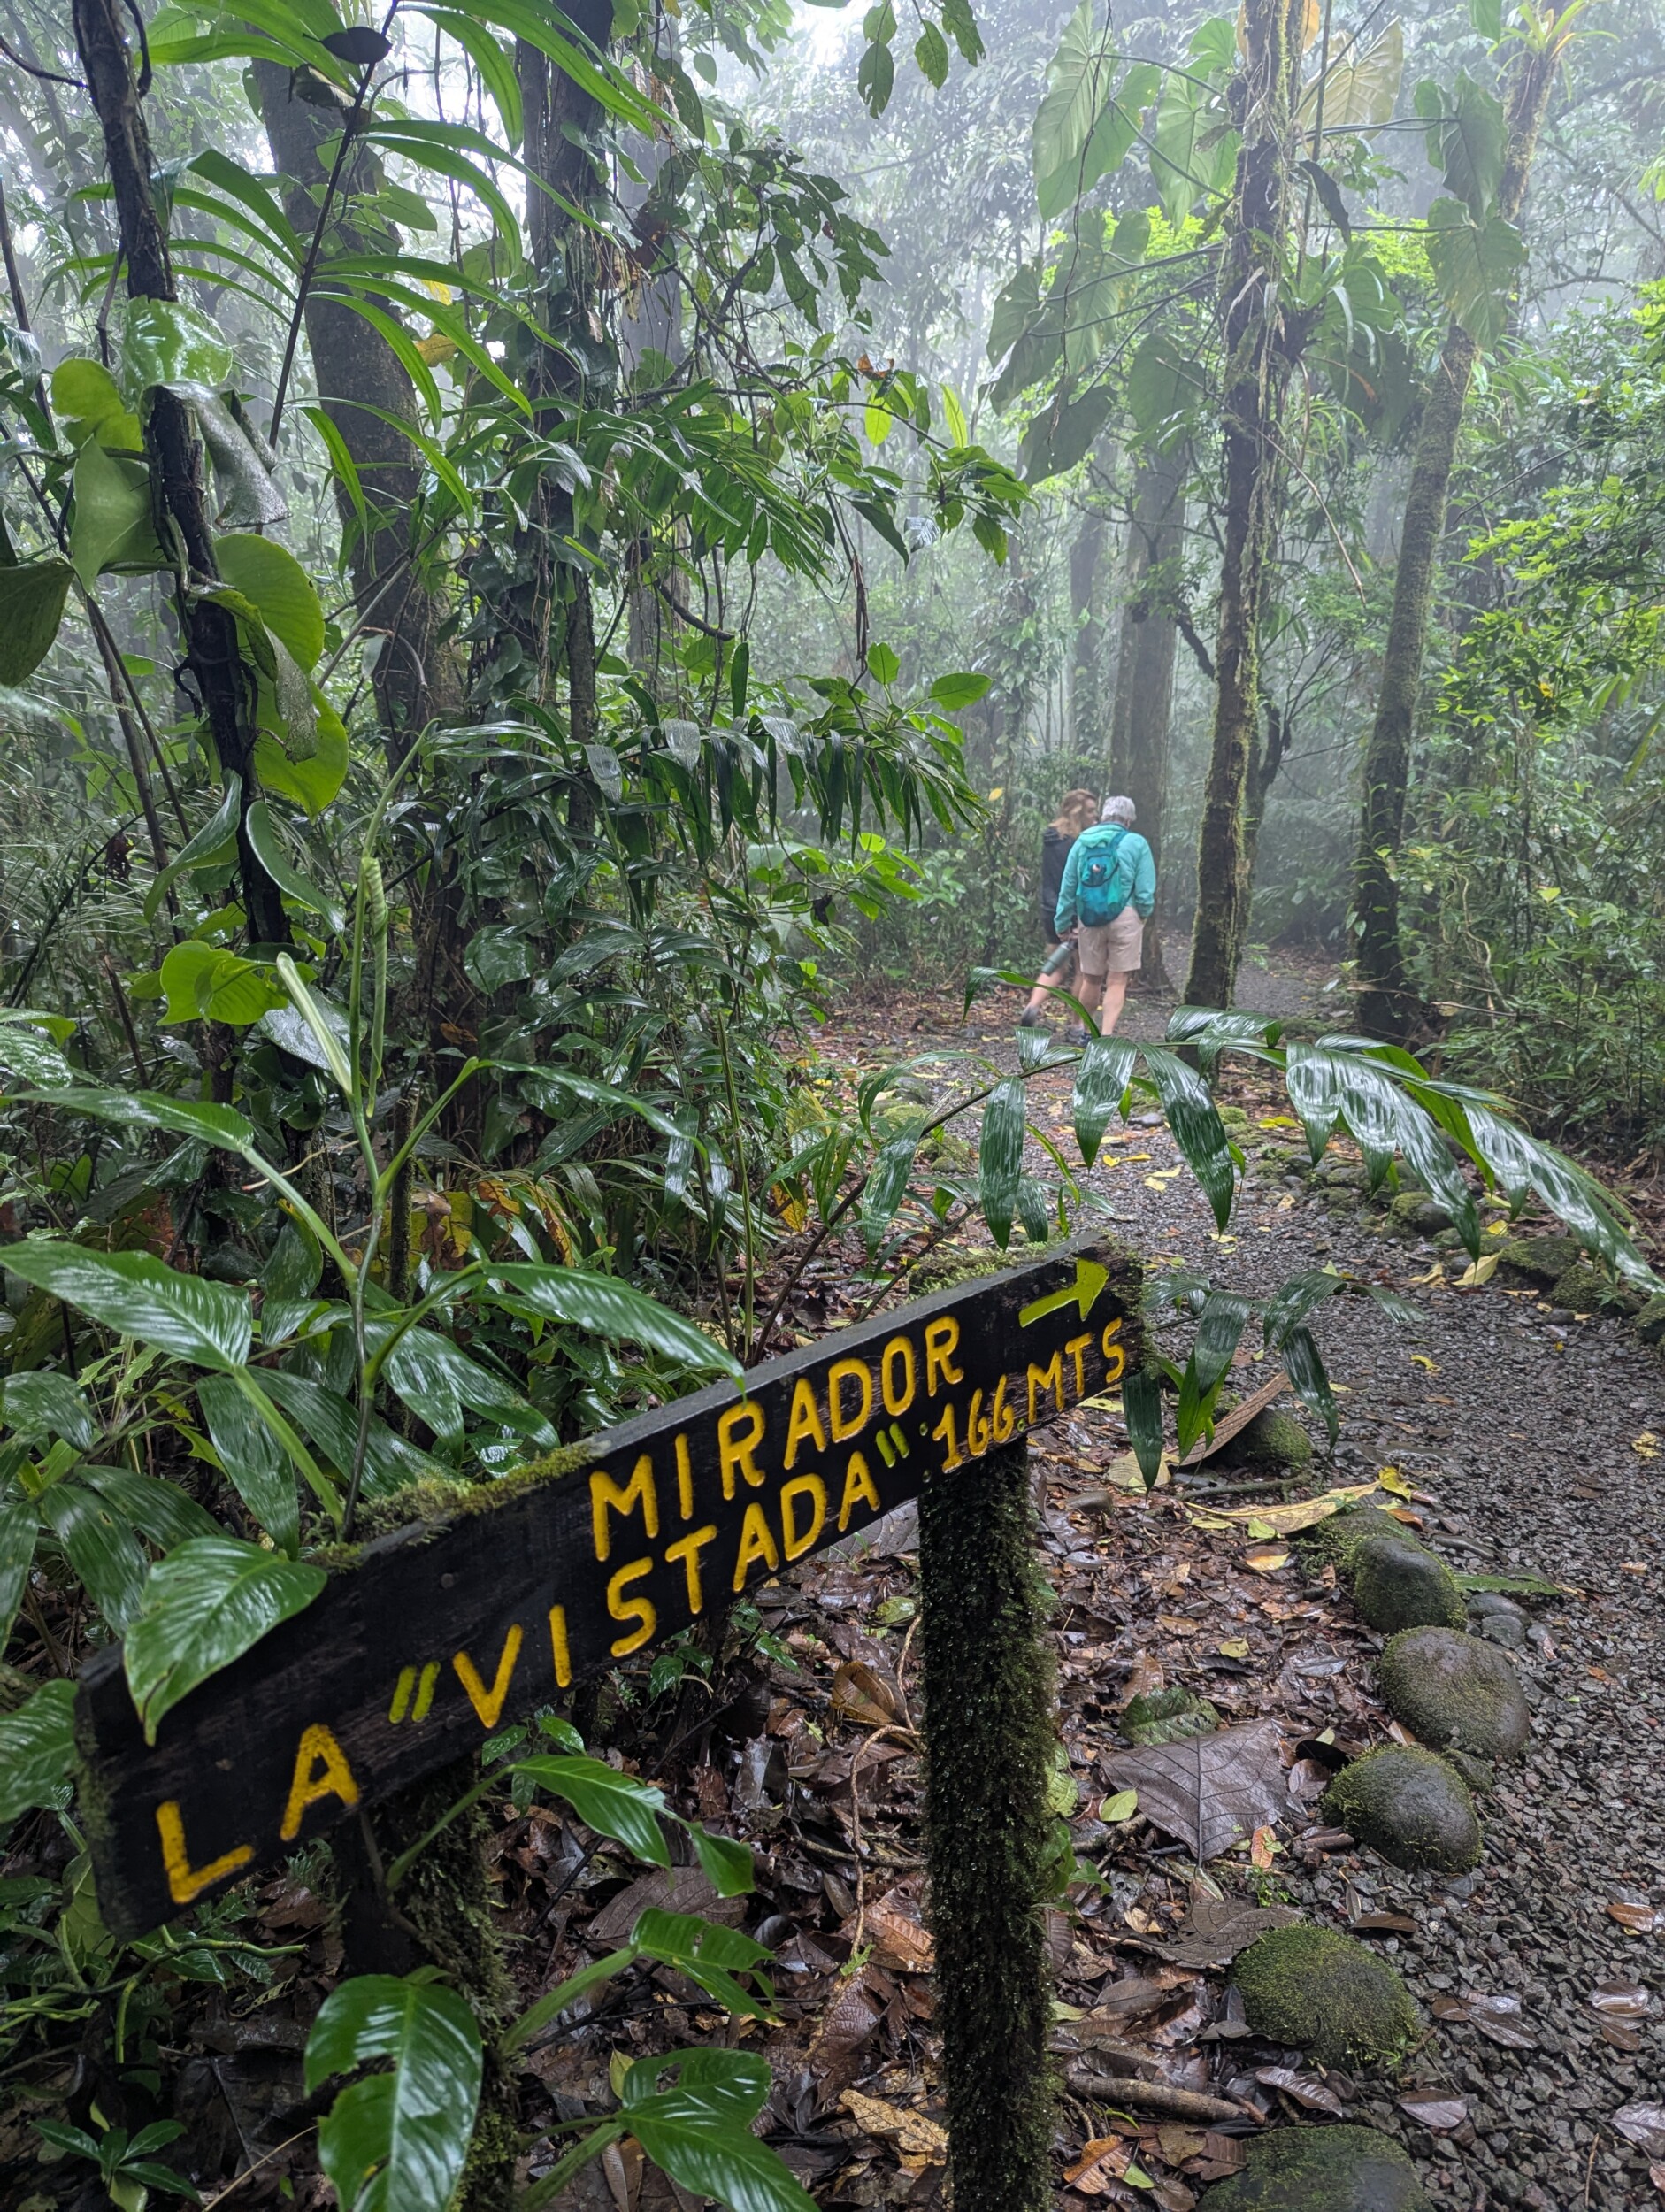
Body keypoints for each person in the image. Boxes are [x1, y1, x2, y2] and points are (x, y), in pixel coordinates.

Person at [1052, 795, 1156, 1042]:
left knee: (1091, 978)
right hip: (1126, 917)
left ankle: (1087, 1033)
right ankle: (1107, 1035)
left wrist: (1062, 923)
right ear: (1128, 820)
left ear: (1104, 816)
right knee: (1117, 980)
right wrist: (1142, 914)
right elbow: (1144, 890)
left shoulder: (1083, 842)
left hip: (1090, 918)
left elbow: (1068, 886)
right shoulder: (1137, 843)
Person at [1017, 788, 1098, 1027]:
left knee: (1056, 965)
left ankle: (1032, 1005)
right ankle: (1076, 1026)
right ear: (1078, 812)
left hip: (1050, 909)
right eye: (1091, 811)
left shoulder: (1050, 836)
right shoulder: (1079, 842)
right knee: (1084, 970)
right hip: (1074, 910)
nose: (1096, 816)